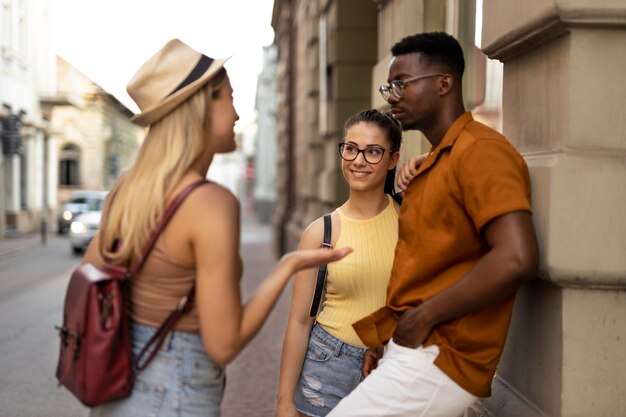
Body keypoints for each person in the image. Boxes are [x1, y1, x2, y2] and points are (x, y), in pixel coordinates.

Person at [81, 39, 351, 417]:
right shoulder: (211, 203)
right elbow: (224, 344)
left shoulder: (129, 188)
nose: (238, 114)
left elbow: (89, 275)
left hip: (120, 386)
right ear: (200, 107)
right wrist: (288, 265)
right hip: (177, 393)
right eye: (228, 97)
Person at [327, 32, 539, 417]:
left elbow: (516, 258)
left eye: (402, 83)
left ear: (444, 83)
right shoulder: (438, 160)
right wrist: (391, 336)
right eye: (389, 85)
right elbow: (430, 265)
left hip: (442, 355)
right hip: (414, 347)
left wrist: (422, 318)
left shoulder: (482, 152)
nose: (392, 95)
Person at [276, 109, 403, 417]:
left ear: (393, 159)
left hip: (393, 364)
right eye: (351, 148)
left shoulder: (410, 218)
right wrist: (284, 402)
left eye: (373, 151)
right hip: (328, 364)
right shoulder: (321, 232)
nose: (358, 160)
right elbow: (299, 321)